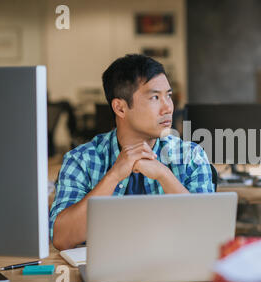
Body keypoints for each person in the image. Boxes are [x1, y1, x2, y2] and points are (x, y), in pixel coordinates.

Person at [50, 54, 214, 250]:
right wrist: (114, 176)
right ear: (120, 108)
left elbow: (207, 232)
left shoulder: (191, 156)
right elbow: (62, 238)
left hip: (173, 273)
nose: (168, 108)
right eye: (155, 97)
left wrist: (164, 175)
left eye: (168, 96)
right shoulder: (80, 160)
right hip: (105, 276)